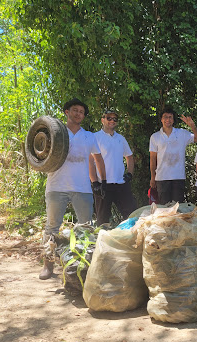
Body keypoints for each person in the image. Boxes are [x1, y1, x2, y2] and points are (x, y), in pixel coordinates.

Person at [41, 98, 106, 280]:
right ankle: (48, 265)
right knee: (52, 227)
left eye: (81, 112)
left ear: (83, 116)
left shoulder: (89, 136)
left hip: (82, 187)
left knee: (85, 227)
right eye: (75, 110)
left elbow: (98, 158)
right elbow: (40, 153)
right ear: (66, 112)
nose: (78, 113)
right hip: (56, 185)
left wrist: (102, 181)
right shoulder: (56, 133)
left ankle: (85, 265)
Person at [89, 109, 137, 226]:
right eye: (109, 118)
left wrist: (129, 174)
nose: (112, 121)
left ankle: (132, 241)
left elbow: (129, 157)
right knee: (103, 220)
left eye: (115, 119)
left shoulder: (121, 138)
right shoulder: (95, 137)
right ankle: (102, 243)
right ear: (102, 120)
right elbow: (90, 161)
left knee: (132, 216)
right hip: (103, 185)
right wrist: (95, 183)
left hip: (121, 183)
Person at [149, 107, 197, 204]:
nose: (167, 119)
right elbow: (152, 159)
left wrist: (192, 126)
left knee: (177, 208)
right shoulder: (155, 137)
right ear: (161, 119)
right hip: (162, 178)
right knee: (164, 209)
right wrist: (153, 177)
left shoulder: (182, 133)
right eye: (165, 117)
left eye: (170, 117)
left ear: (173, 120)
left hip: (178, 177)